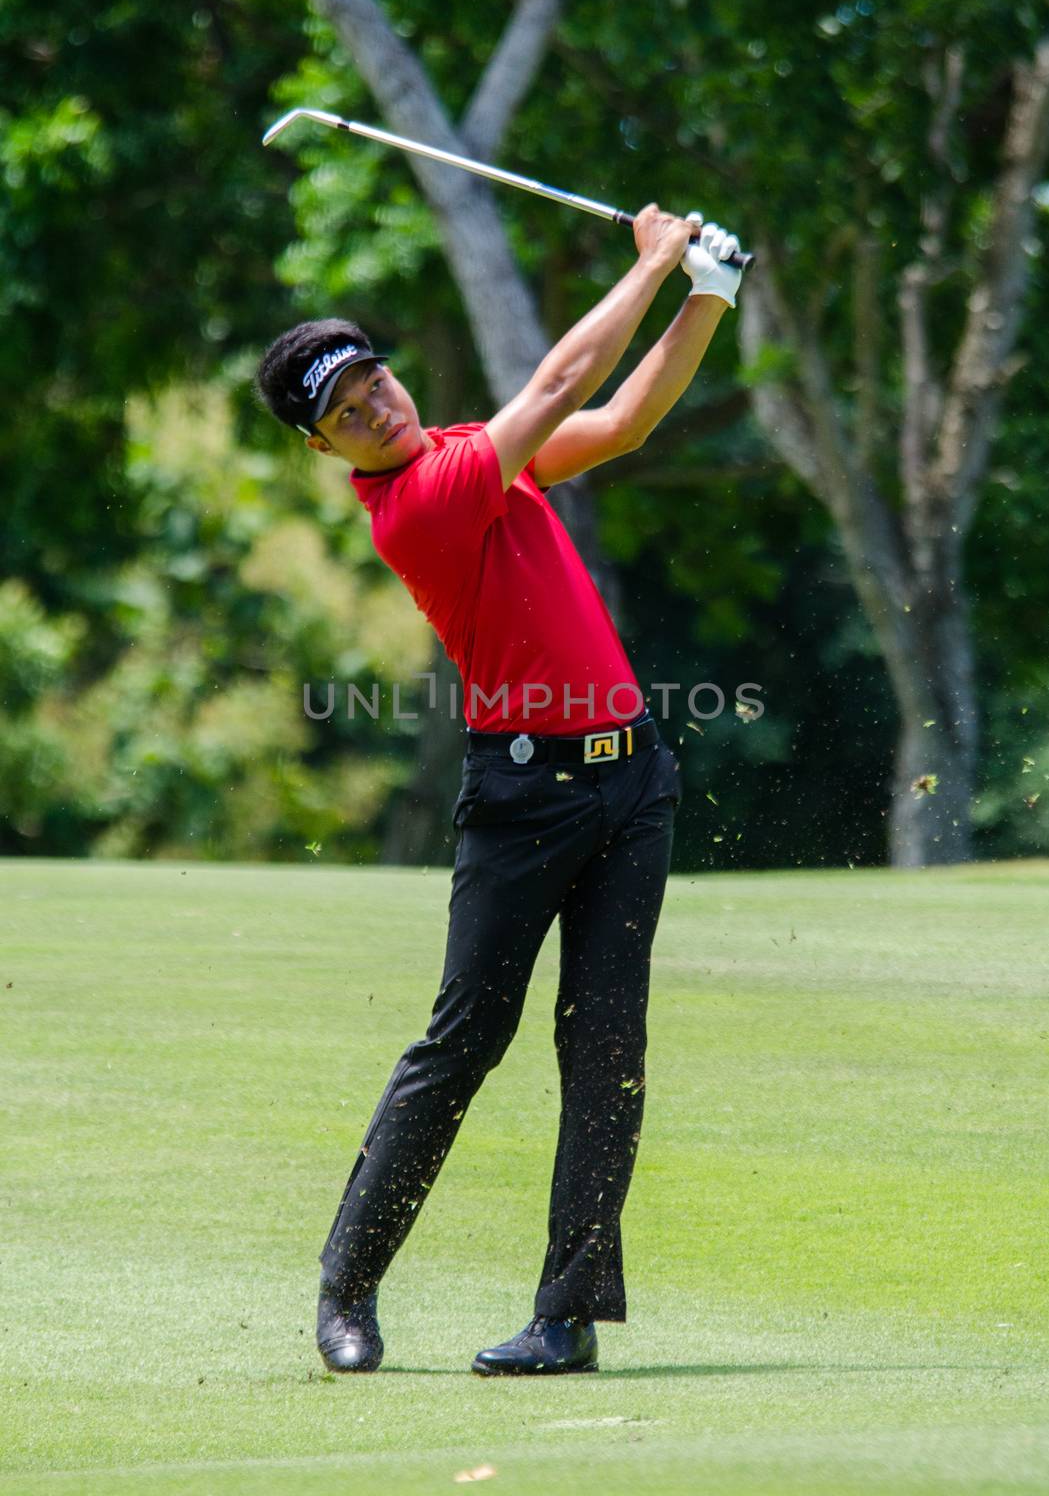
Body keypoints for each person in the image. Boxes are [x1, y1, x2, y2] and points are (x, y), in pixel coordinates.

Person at [256, 207, 743, 1375]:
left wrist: (709, 296)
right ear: (325, 447)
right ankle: (347, 1286)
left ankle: (567, 1317)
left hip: (634, 784)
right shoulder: (423, 501)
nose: (375, 406)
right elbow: (567, 369)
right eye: (345, 412)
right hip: (524, 796)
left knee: (605, 1043)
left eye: (371, 379)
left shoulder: (469, 449)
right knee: (464, 1039)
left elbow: (619, 420)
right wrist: (652, 263)